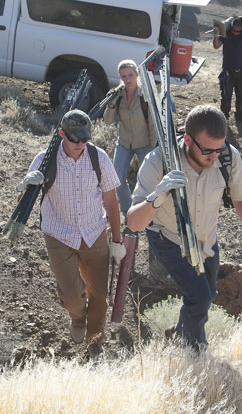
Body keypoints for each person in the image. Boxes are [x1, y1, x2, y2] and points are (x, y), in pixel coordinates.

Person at [127, 105, 242, 351]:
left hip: (206, 238)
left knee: (208, 294)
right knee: (200, 296)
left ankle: (178, 332)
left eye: (218, 148)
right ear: (187, 139)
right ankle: (196, 353)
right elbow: (133, 222)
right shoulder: (158, 161)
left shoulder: (227, 156)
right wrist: (157, 196)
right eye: (207, 150)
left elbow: (241, 198)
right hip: (168, 238)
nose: (213, 156)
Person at [16, 109, 126, 359]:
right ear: (61, 134)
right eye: (74, 139)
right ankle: (78, 317)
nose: (80, 144)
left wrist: (117, 240)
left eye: (84, 139)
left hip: (94, 232)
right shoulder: (45, 160)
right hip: (58, 234)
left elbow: (111, 201)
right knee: (72, 295)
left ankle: (95, 344)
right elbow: (25, 201)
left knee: (100, 297)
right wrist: (26, 184)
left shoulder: (99, 158)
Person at [103, 60, 157, 221]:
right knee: (117, 178)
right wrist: (111, 104)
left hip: (145, 143)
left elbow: (153, 123)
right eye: (124, 76)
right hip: (125, 142)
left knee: (148, 180)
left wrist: (154, 147)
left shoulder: (145, 94)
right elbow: (107, 121)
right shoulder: (118, 95)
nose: (127, 79)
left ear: (137, 75)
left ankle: (147, 214)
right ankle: (128, 212)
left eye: (130, 75)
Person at [213, 16, 242, 123]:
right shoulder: (226, 33)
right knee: (226, 95)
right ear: (231, 27)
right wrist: (216, 35)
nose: (235, 33)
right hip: (228, 71)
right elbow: (216, 46)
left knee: (241, 95)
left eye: (238, 31)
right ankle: (224, 116)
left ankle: (239, 115)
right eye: (234, 30)